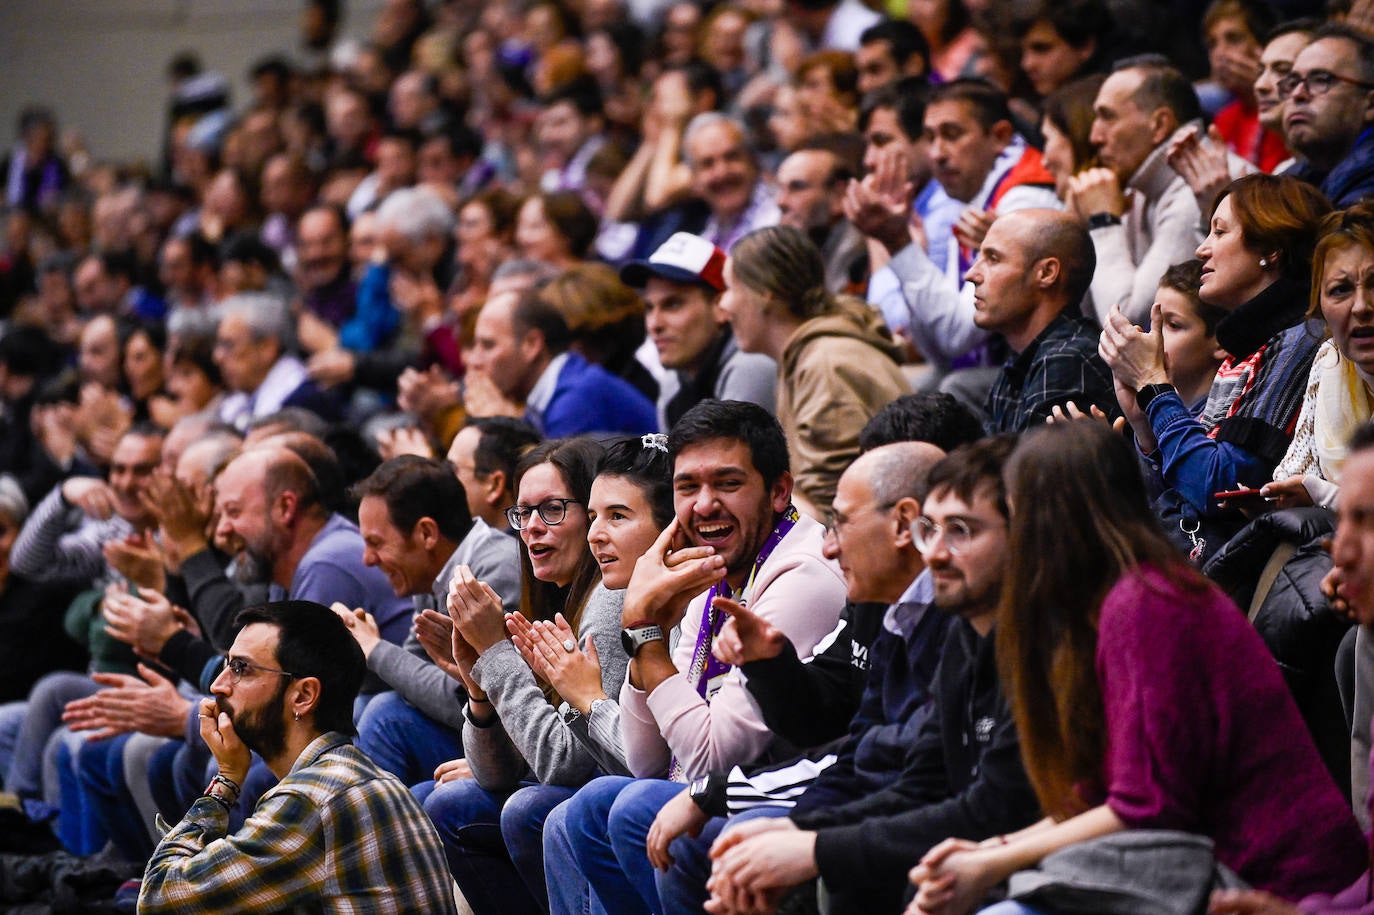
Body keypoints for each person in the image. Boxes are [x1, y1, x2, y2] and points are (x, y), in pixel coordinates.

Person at [909, 422, 1365, 914]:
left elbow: (1147, 806)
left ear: (1044, 522)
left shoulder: (1147, 604)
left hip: (1281, 886)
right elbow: (1095, 794)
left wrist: (992, 866)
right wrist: (989, 853)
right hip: (1215, 865)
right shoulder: (1120, 601)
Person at [701, 438, 1040, 915]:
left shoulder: (1031, 639)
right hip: (949, 836)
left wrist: (814, 845)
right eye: (933, 531)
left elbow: (991, 806)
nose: (936, 554)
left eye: (961, 531)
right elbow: (901, 767)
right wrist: (800, 831)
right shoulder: (937, 623)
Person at [542, 400, 847, 915]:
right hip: (707, 786)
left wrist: (642, 633)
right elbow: (645, 760)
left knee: (632, 808)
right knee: (582, 810)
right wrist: (648, 633)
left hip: (787, 794)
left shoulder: (803, 575)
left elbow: (711, 760)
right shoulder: (721, 563)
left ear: (778, 492)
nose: (704, 505)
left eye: (727, 483)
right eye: (688, 487)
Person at [137, 600, 459, 913]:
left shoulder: (312, 800)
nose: (218, 686)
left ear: (303, 696)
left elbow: (159, 899)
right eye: (226, 665)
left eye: (240, 669)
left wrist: (226, 782)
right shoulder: (357, 779)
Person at [416, 437, 626, 915]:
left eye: (552, 510)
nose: (532, 528)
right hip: (576, 787)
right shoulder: (553, 599)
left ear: (593, 515)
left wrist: (494, 652)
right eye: (523, 513)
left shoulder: (609, 603)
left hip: (607, 792)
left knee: (517, 809)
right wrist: (478, 692)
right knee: (440, 798)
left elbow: (564, 765)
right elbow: (495, 772)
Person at [1100, 173, 1329, 559]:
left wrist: (1156, 387)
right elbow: (1173, 499)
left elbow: (1219, 488)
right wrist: (1145, 426)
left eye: (1220, 232)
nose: (1203, 249)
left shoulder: (1298, 340)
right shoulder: (1248, 346)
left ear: (1271, 248)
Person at [346, 455, 522, 785]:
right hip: (472, 734)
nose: (367, 559)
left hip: (506, 746)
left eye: (376, 543)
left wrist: (376, 650)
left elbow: (466, 697)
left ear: (427, 533)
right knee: (364, 706)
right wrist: (355, 647)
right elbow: (407, 675)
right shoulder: (431, 575)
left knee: (386, 716)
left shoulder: (491, 571)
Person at [721, 225, 909, 517]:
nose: (723, 306)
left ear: (764, 293)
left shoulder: (825, 364)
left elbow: (833, 507)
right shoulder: (808, 355)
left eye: (730, 289)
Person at [1076, 56, 1246, 324]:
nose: (1094, 136)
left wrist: (1102, 222)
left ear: (1159, 124)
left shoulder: (1197, 189)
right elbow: (1084, 318)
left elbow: (1131, 320)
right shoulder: (1143, 181)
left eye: (1107, 117)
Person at [211, 445, 412, 642]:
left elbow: (292, 674)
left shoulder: (327, 565)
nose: (221, 530)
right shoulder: (285, 575)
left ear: (285, 508)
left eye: (233, 512)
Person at [970, 210, 1116, 433]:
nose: (971, 274)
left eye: (993, 259)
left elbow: (1028, 468)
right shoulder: (1023, 358)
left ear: (1047, 273)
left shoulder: (1068, 360)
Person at [1269, 202, 1374, 508]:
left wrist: (1325, 496)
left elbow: (1315, 490)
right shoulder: (1331, 360)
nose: (1361, 306)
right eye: (1340, 289)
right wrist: (1270, 497)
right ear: (1320, 306)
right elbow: (1294, 472)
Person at [620, 232, 777, 427]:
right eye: (649, 308)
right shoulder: (673, 383)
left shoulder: (751, 366)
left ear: (721, 306)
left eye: (673, 305)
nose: (654, 324)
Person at [466, 285, 658, 438]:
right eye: (474, 345)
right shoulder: (564, 385)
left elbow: (549, 485)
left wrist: (501, 429)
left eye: (488, 345)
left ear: (531, 344)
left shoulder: (576, 400)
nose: (474, 360)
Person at [1284, 24, 1374, 207]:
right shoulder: (1292, 177)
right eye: (1293, 82)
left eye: (1321, 80)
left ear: (1370, 104)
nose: (1297, 94)